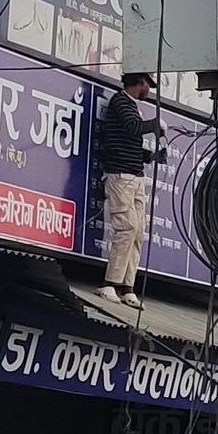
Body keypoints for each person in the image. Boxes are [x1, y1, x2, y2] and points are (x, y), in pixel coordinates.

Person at [99, 72, 159, 305]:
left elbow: (129, 139)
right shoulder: (120, 101)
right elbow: (133, 128)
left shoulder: (132, 106)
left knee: (138, 232)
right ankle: (109, 283)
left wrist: (151, 155)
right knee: (127, 228)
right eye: (147, 85)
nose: (149, 90)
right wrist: (155, 125)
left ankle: (127, 286)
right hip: (120, 175)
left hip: (135, 175)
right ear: (140, 82)